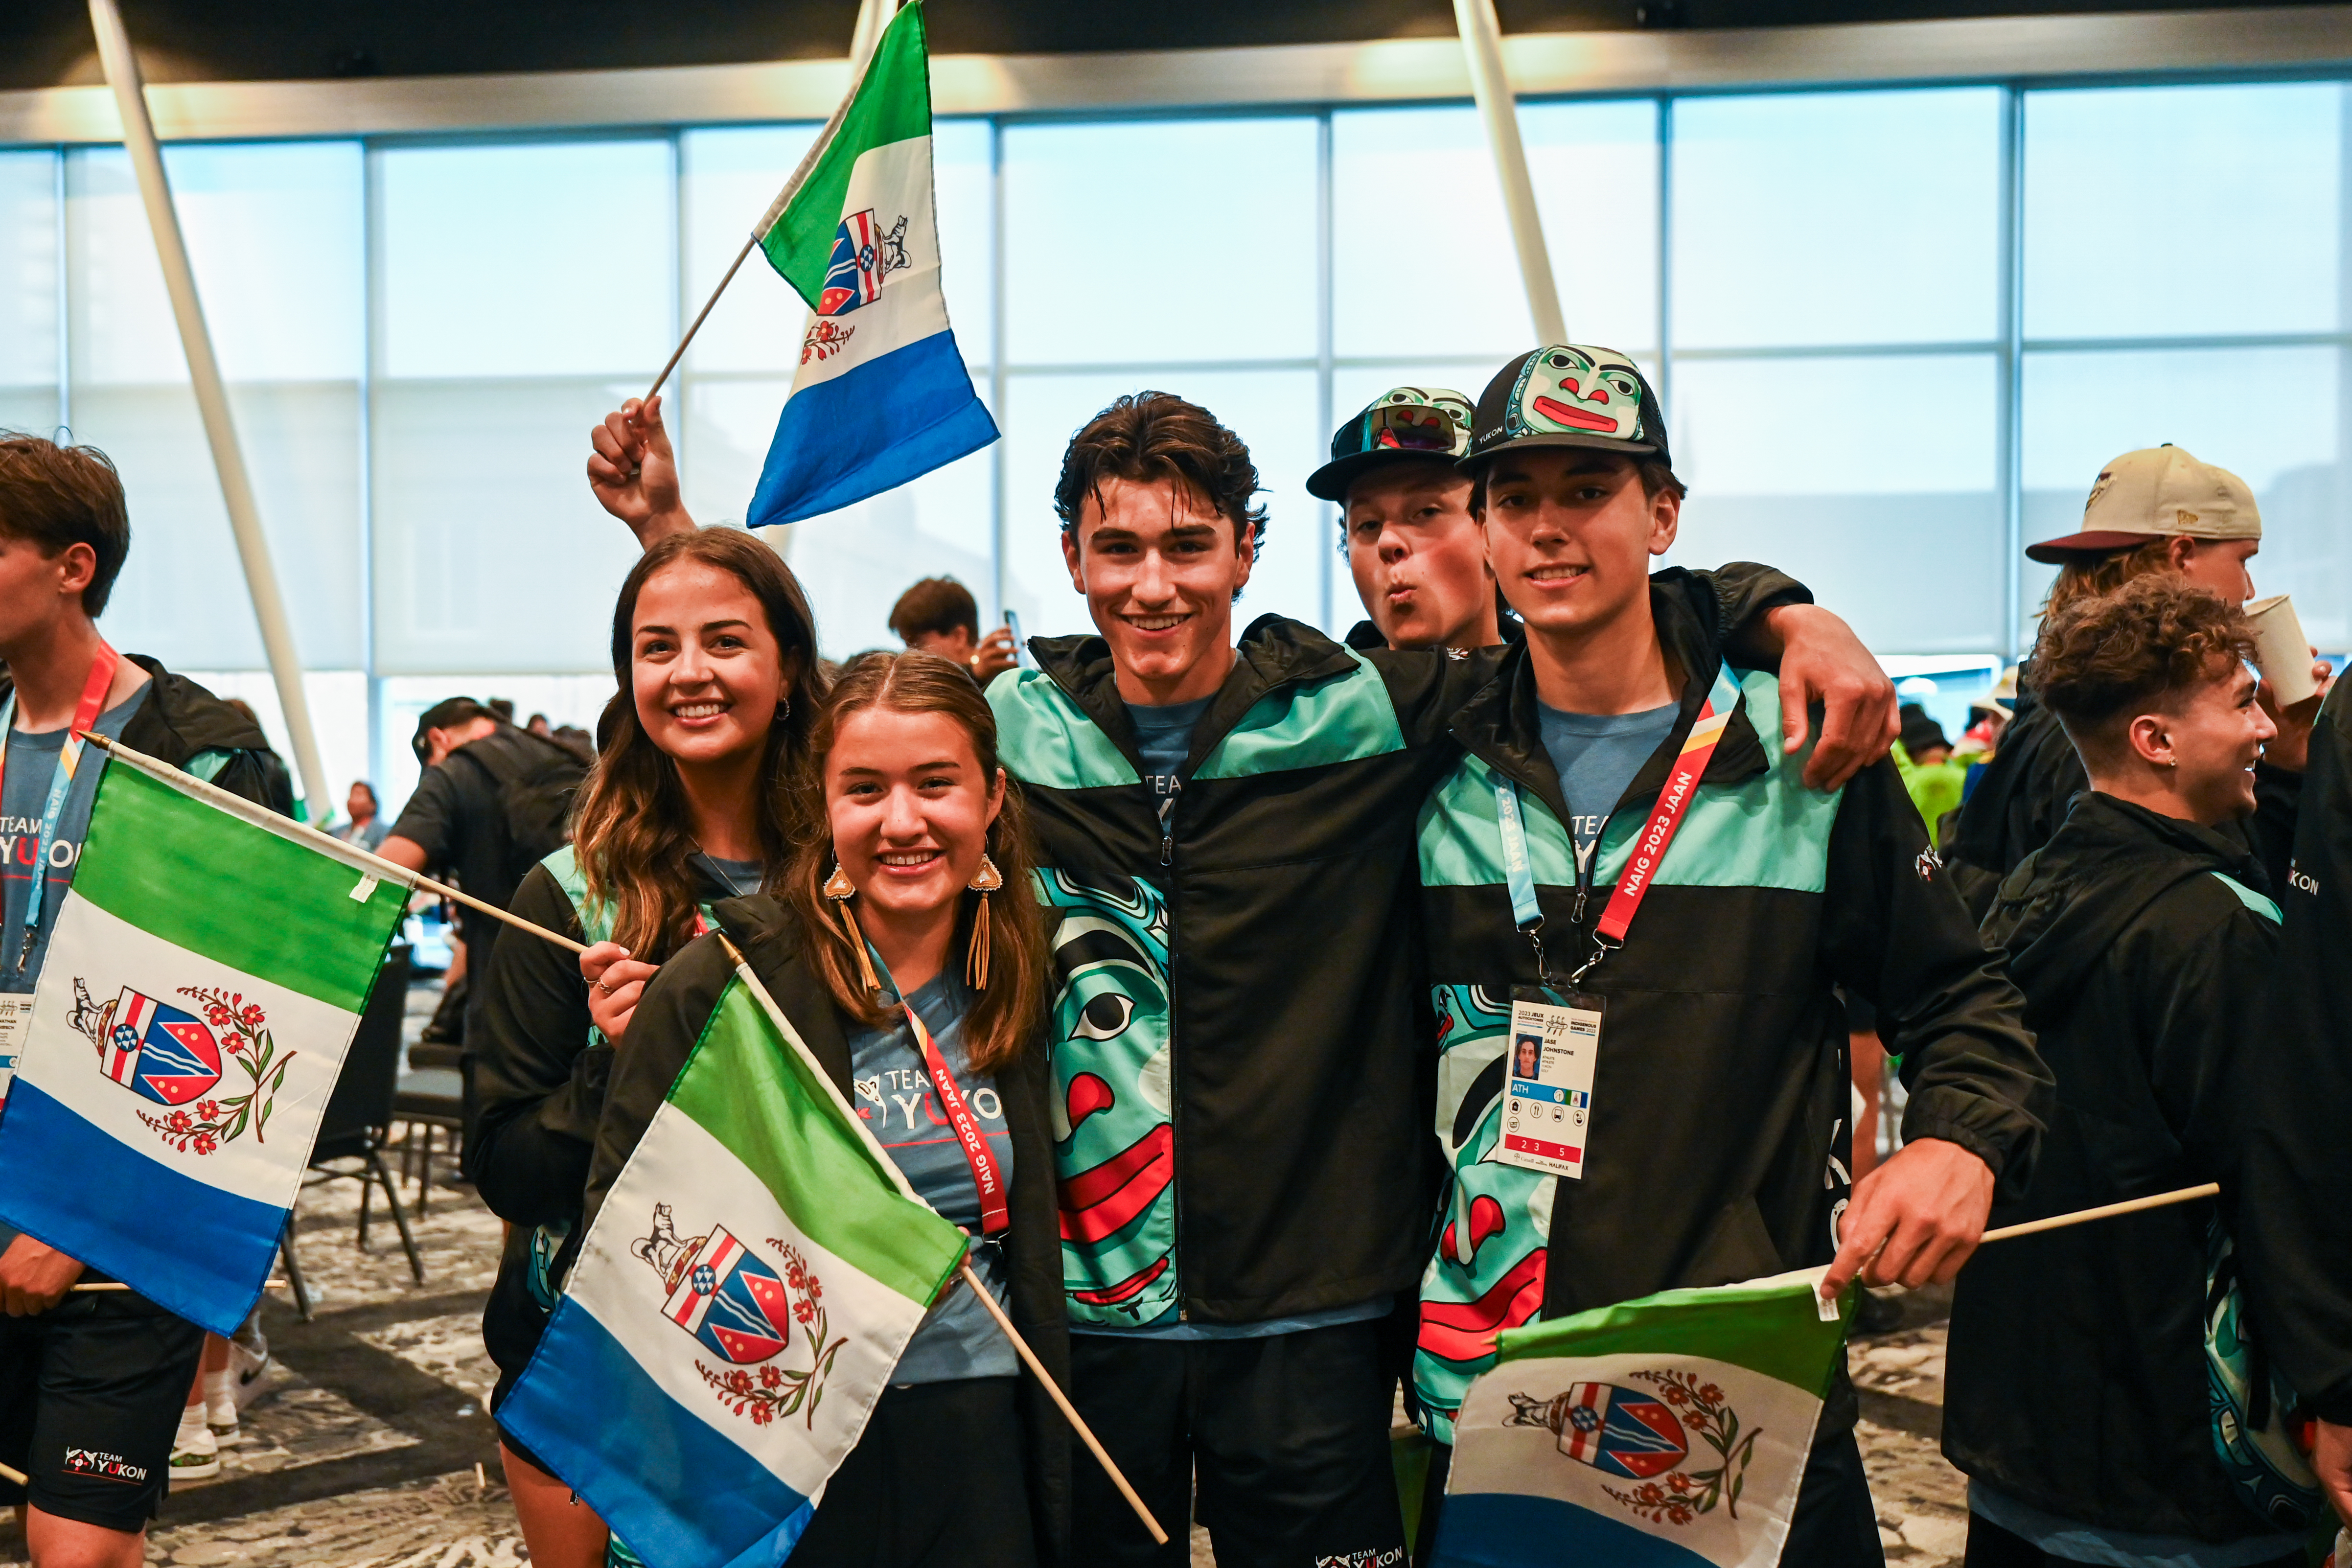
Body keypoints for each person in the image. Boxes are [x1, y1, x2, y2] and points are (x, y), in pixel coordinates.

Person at [585, 386, 1897, 1567]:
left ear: (1243, 552)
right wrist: (668, 535)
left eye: (1185, 546)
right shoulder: (1011, 731)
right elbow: (818, 737)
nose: (1151, 586)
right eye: (1117, 550)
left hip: (1312, 1312)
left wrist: (1790, 616)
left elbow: (1594, 601)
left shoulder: (1365, 709)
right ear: (1071, 561)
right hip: (1085, 1314)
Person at [1407, 347, 2051, 1562]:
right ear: (1483, 528)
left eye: (1586, 487)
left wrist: (1958, 1137)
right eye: (1515, 496)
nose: (1548, 527)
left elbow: (1959, 993)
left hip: (1741, 1381)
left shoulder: (1802, 751)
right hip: (1498, 1385)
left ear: (1660, 514)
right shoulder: (1427, 755)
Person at [585, 651, 1069, 1567]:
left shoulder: (1026, 978)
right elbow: (625, 1223)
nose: (902, 822)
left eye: (936, 784)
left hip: (980, 1418)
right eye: (865, 788)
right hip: (786, 1435)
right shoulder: (726, 983)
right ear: (825, 803)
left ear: (993, 797)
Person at [1952, 577, 2352, 1565]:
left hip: (2021, 1442)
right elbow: (2280, 1187)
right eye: (2242, 701)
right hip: (2181, 1466)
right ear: (2156, 739)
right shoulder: (2221, 934)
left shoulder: (2023, 893)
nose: (2266, 727)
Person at [470, 528, 826, 1568]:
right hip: (601, 1369)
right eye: (656, 647)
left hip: (815, 1352)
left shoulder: (855, 874)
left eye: (725, 641)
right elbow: (500, 1167)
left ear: (790, 666)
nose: (690, 673)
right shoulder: (569, 897)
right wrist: (614, 1070)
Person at [0, 433, 295, 1567]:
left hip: (108, 1215)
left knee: (76, 1547)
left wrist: (77, 1227)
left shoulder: (204, 756)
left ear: (74, 566)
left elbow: (244, 1028)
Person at [1947, 445, 2320, 917]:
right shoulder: (2102, 730)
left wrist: (2280, 762)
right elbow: (2227, 897)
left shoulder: (2060, 711)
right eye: (2244, 560)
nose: (2248, 590)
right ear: (2182, 554)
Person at [379, 695, 588, 1128]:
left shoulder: (455, 772)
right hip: (589, 972)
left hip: (500, 983)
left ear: (437, 738)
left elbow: (384, 869)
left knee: (500, 1130)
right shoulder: (565, 756)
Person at [889, 575, 1017, 684]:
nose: (910, 655)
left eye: (917, 645)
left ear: (959, 637)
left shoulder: (1003, 685)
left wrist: (976, 676)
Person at [336, 780, 388, 852]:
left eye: (358, 795)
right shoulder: (338, 832)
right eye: (351, 795)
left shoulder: (383, 832)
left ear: (372, 805)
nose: (352, 801)